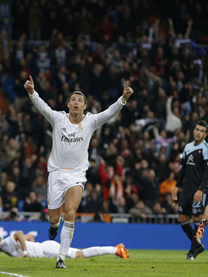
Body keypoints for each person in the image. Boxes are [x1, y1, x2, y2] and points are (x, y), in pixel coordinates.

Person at [24, 76, 134, 268]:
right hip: (56, 173)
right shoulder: (58, 119)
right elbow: (43, 108)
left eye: (80, 100)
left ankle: (61, 257)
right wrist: (32, 93)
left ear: (85, 107)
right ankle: (53, 226)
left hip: (76, 174)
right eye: (73, 100)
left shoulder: (90, 122)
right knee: (53, 217)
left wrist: (123, 99)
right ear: (68, 104)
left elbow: (109, 112)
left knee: (71, 213)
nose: (76, 102)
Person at [172, 121, 208, 260]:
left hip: (199, 190)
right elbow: (183, 169)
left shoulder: (207, 149)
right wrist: (177, 186)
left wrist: (201, 190)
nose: (198, 132)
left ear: (205, 134)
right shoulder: (188, 147)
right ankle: (197, 245)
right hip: (186, 190)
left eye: (201, 131)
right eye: (197, 129)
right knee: (182, 219)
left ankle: (192, 251)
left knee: (197, 218)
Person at [0, 231, 129, 259]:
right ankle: (115, 248)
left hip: (45, 250)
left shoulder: (5, 243)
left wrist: (26, 252)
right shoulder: (6, 248)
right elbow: (30, 236)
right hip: (44, 248)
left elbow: (19, 233)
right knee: (78, 254)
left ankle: (115, 249)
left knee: (78, 255)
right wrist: (29, 248)